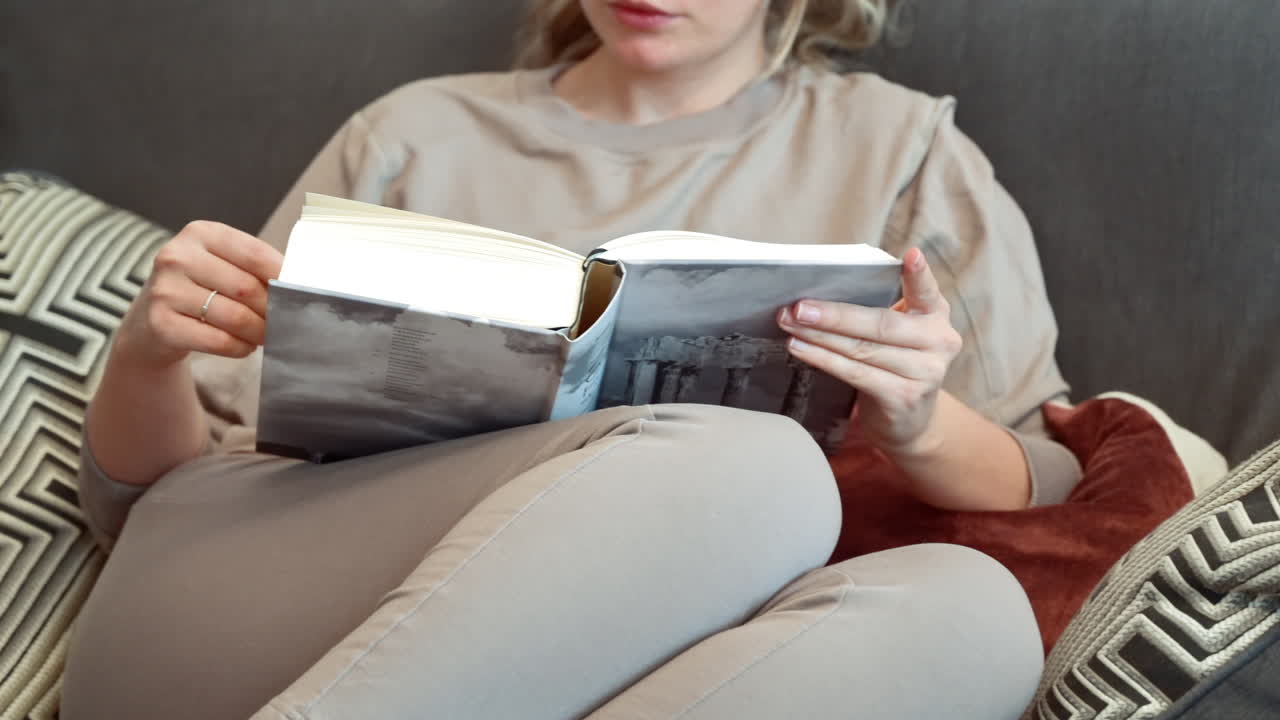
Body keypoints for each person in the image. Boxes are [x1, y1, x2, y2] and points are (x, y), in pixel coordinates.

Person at [62, 0, 1081, 717]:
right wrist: (149, 352)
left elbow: (1051, 495)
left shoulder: (901, 152)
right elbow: (137, 503)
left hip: (588, 667)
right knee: (755, 473)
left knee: (972, 619)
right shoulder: (414, 133)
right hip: (253, 605)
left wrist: (919, 419)